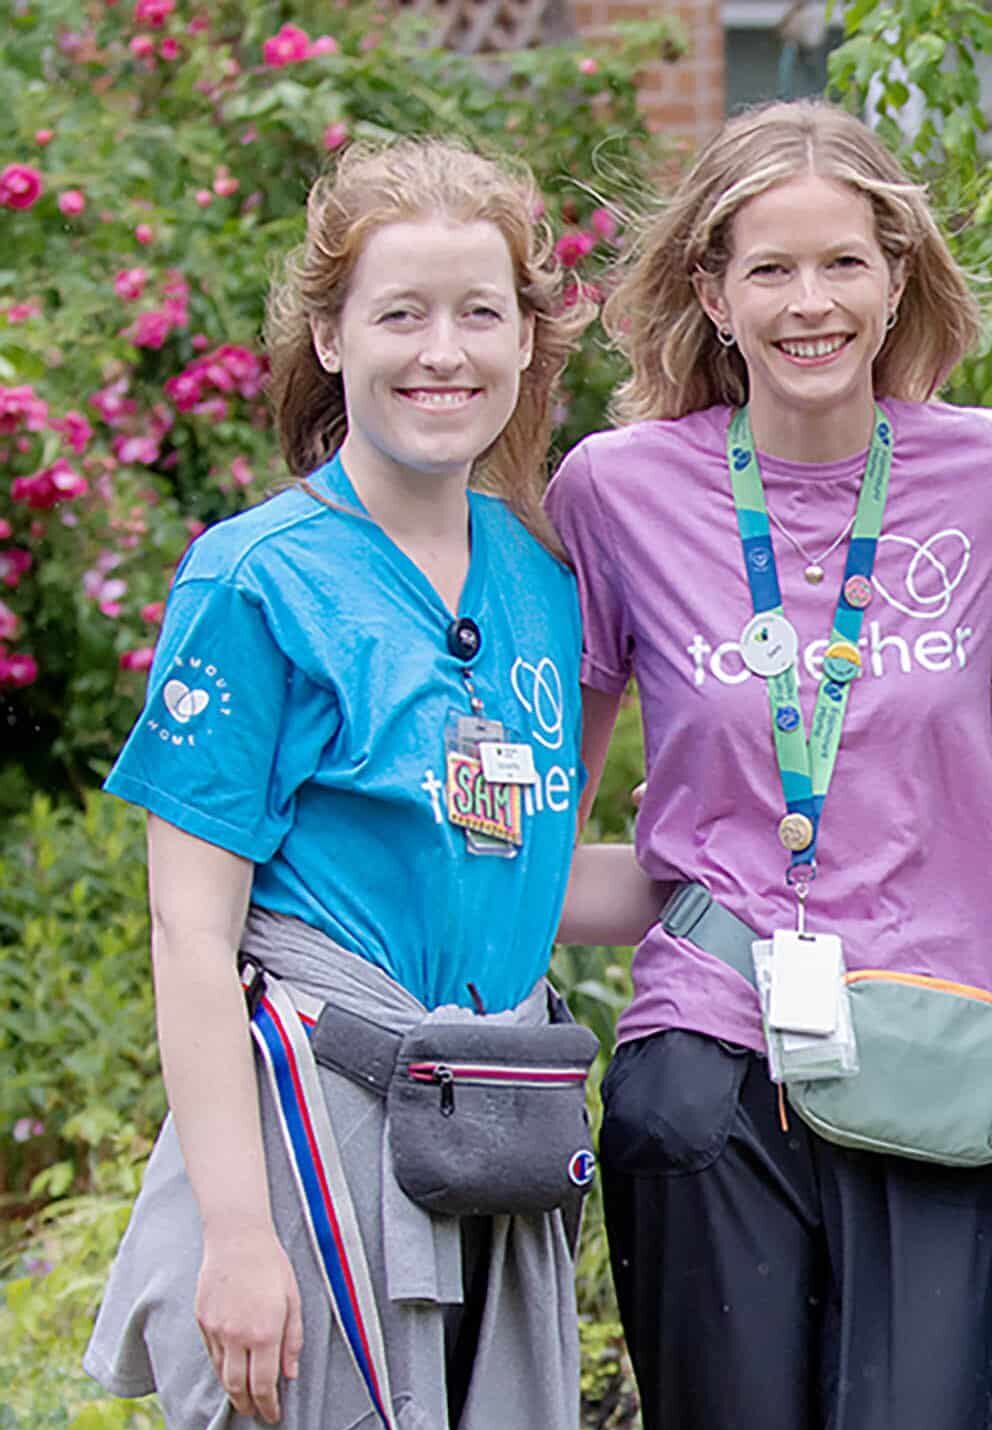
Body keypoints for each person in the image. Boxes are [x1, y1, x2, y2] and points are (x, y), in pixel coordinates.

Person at [83, 137, 629, 1429]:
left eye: (479, 312)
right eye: (401, 313)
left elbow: (522, 873)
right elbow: (191, 928)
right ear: (331, 337)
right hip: (316, 1142)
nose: (443, 349)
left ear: (525, 342)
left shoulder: (543, 584)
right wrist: (236, 1230)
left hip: (489, 1132)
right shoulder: (255, 579)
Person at [544, 99, 992, 1430]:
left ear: (898, 277)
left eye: (842, 262)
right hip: (703, 1056)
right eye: (770, 267)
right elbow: (551, 812)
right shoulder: (616, 490)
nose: (808, 301)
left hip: (931, 1062)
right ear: (711, 291)